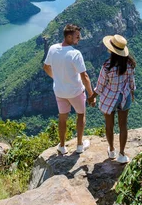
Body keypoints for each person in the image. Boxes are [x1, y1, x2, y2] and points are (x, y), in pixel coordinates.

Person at [43, 24, 94, 154]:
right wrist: (91, 94)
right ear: (69, 37)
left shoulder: (53, 48)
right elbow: (85, 76)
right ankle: (79, 145)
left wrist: (57, 78)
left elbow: (46, 67)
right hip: (75, 91)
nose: (80, 39)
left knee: (62, 117)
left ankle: (62, 146)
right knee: (81, 115)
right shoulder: (75, 53)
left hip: (59, 91)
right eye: (77, 36)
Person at [88, 34, 136, 164]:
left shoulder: (107, 66)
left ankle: (111, 150)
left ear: (111, 50)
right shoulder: (130, 64)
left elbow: (100, 86)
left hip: (109, 99)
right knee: (123, 126)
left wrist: (91, 98)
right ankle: (122, 154)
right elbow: (131, 82)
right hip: (124, 98)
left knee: (109, 126)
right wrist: (132, 93)